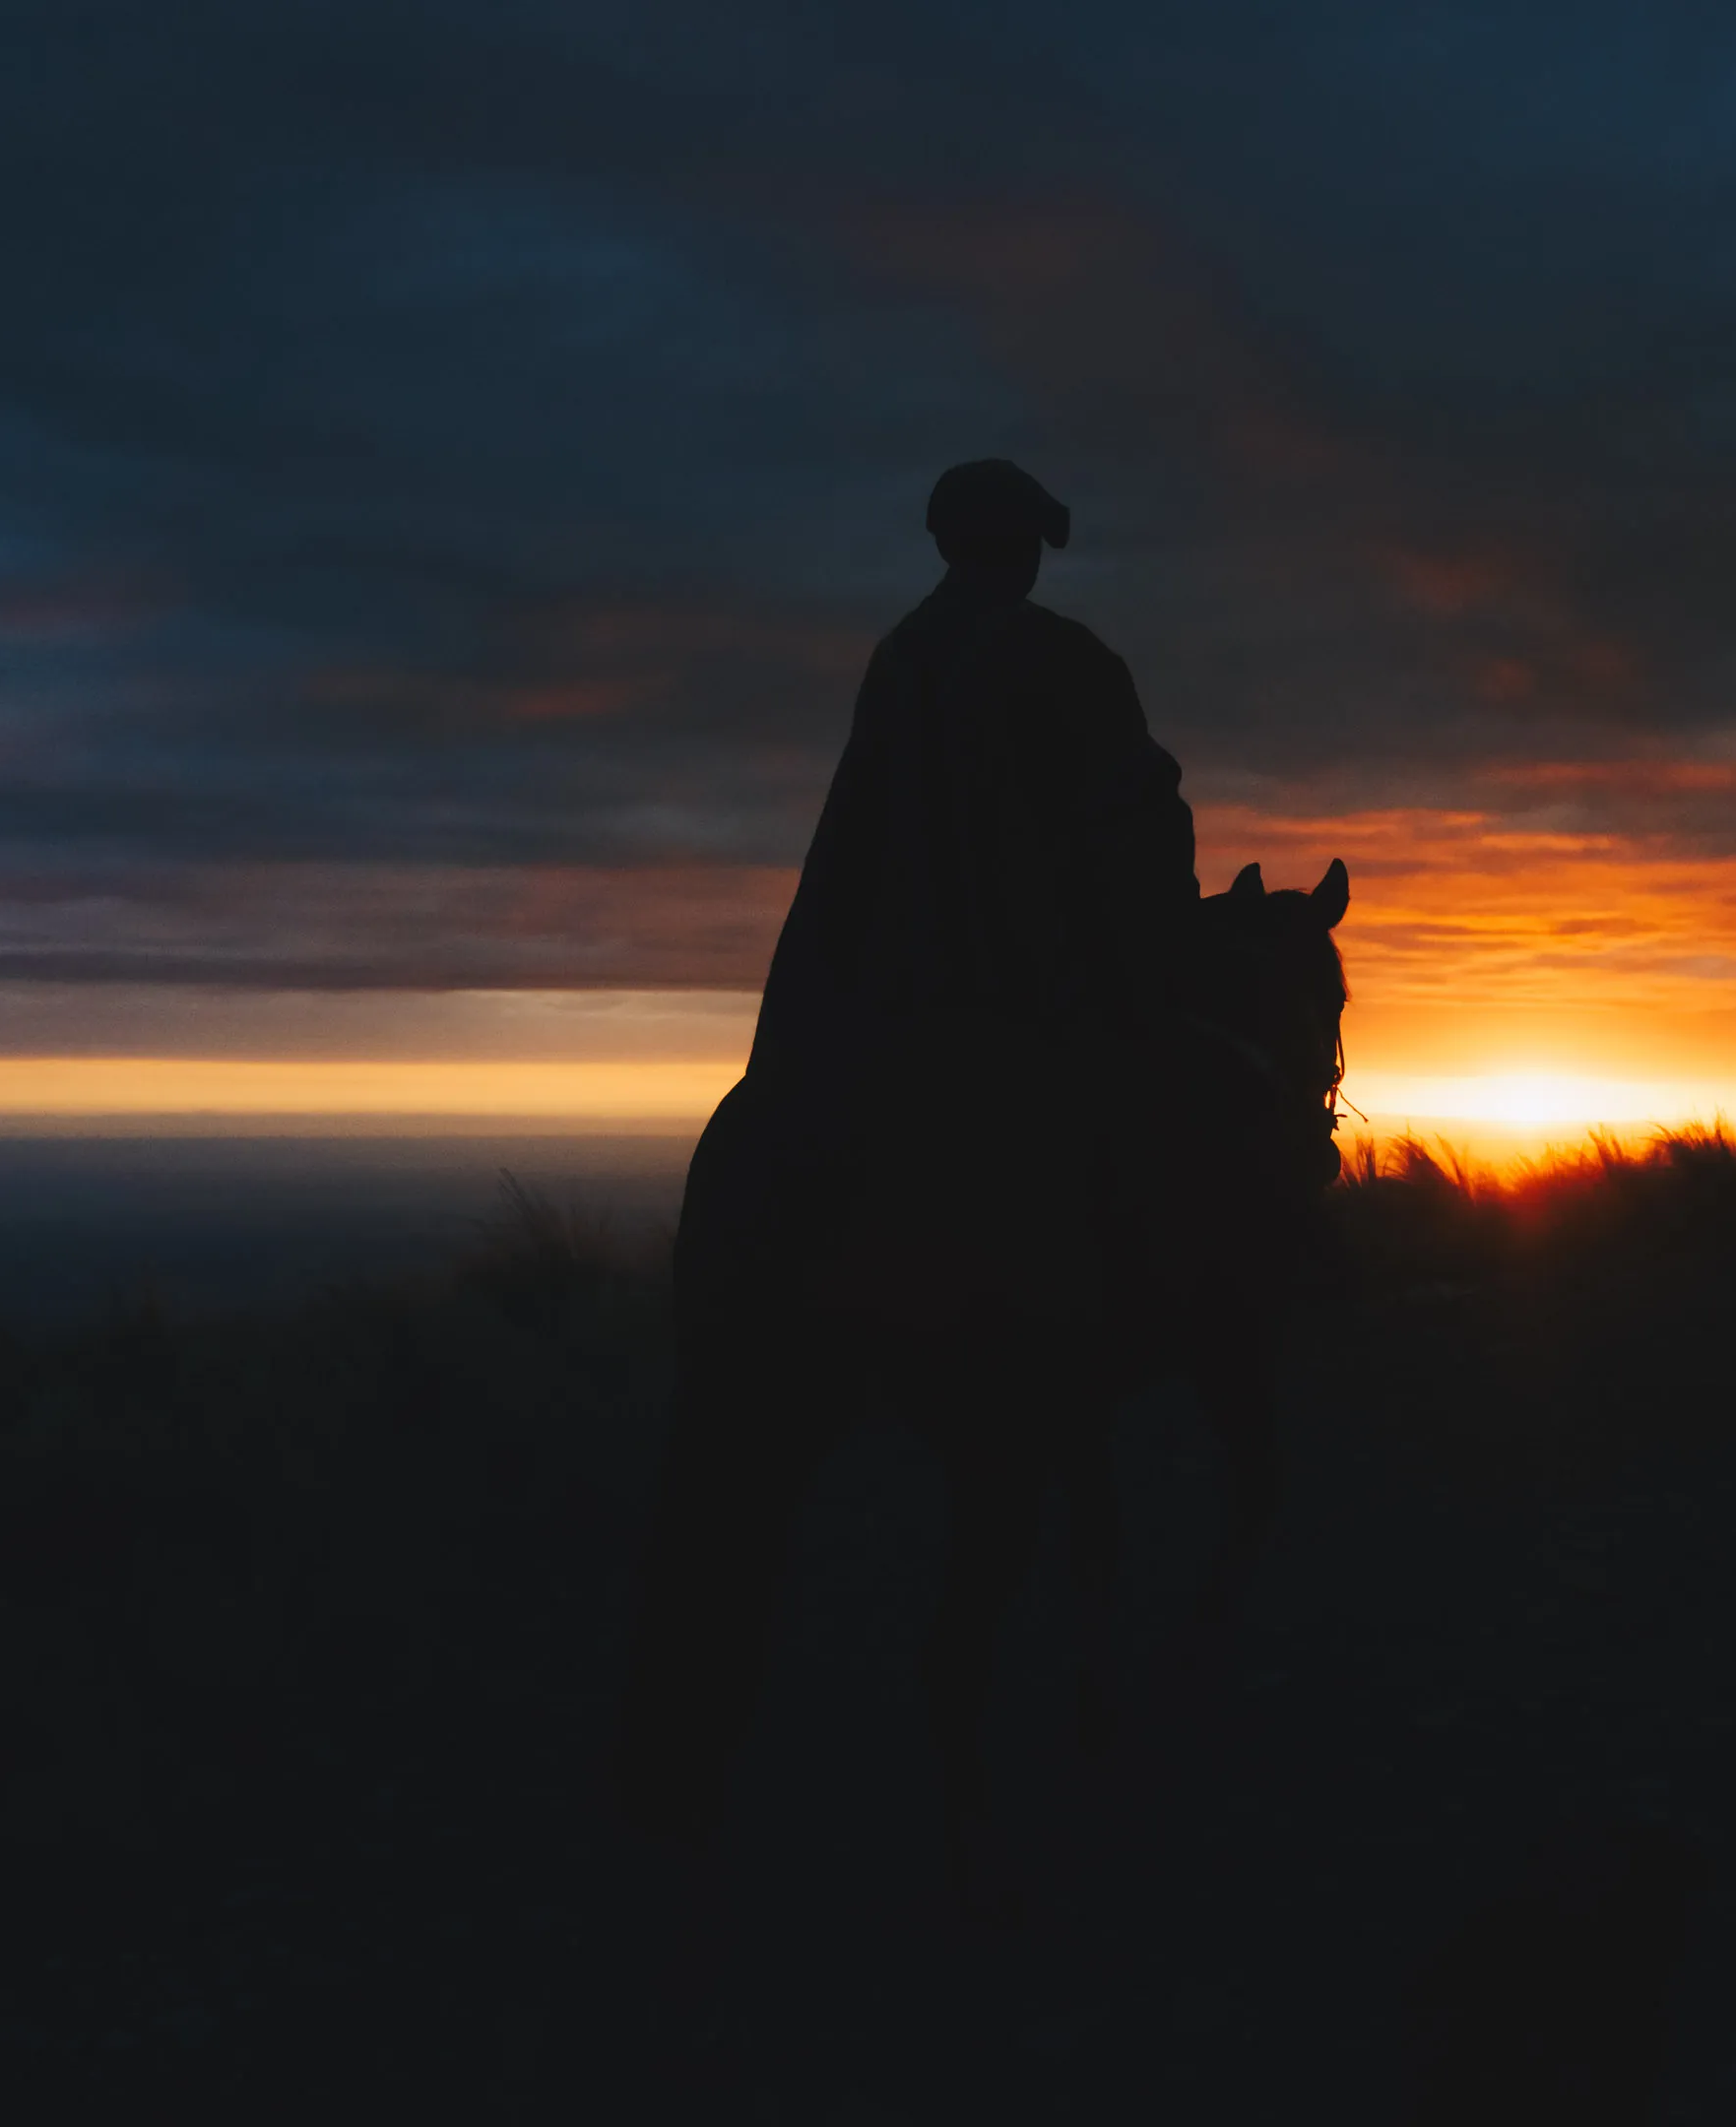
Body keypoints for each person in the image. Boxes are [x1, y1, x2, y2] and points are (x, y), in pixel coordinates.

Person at [596, 460, 1201, 2064]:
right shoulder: (1070, 664)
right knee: (1156, 1158)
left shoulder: (895, 659)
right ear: (1028, 551)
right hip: (1010, 1021)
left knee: (726, 1476)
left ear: (949, 547)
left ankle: (677, 1769)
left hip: (836, 1037)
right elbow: (1135, 845)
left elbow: (843, 857)